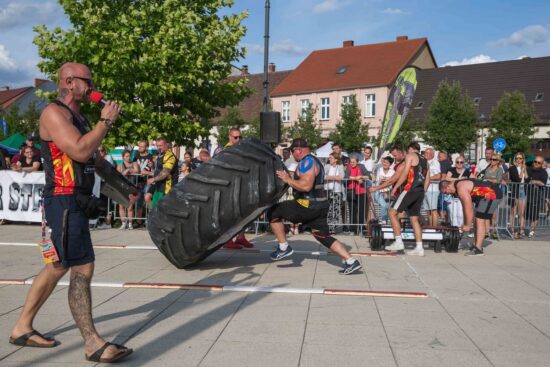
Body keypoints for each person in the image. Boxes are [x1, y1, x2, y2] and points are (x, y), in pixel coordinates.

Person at [9, 62, 133, 362]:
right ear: (68, 81)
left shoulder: (79, 117)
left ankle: (22, 327)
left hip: (73, 201)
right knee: (82, 267)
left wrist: (124, 185)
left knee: (57, 266)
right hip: (63, 201)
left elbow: (94, 158)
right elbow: (78, 150)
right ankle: (92, 343)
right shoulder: (54, 113)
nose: (91, 86)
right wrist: (106, 123)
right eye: (86, 81)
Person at [268, 138, 362, 274]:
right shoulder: (314, 160)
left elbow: (306, 186)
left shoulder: (307, 161)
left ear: (298, 150)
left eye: (293, 151)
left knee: (273, 212)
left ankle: (283, 247)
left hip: (307, 205)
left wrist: (288, 179)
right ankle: (351, 261)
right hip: (320, 205)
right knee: (322, 236)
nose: (292, 155)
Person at [386, 142, 429, 256]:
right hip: (420, 190)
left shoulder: (410, 156)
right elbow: (427, 179)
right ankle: (419, 247)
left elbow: (405, 174)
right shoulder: (425, 161)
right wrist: (422, 191)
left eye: (408, 149)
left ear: (411, 149)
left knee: (392, 212)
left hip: (410, 188)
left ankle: (398, 241)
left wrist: (395, 187)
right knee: (414, 219)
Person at [440, 179, 503, 256]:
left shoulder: (461, 187)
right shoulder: (457, 188)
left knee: (479, 219)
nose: (447, 194)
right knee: (477, 218)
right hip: (484, 196)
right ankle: (476, 245)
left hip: (491, 193)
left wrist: (467, 225)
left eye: (446, 192)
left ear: (448, 186)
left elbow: (468, 207)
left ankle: (478, 249)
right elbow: (464, 207)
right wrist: (466, 222)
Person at [221, 128, 254, 249]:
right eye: (236, 137)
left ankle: (240, 237)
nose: (238, 139)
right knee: (231, 214)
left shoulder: (240, 149)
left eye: (240, 137)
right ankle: (227, 240)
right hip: (230, 186)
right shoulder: (226, 150)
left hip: (240, 185)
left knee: (243, 213)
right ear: (229, 137)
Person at [147, 137, 177, 209]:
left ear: (166, 145)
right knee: (155, 209)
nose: (158, 148)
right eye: (157, 146)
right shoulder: (161, 155)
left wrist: (154, 179)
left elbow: (166, 172)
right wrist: (153, 165)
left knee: (163, 211)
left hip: (167, 188)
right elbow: (160, 168)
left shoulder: (170, 156)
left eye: (160, 145)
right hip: (159, 186)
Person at [345, 155, 371, 234]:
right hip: (351, 190)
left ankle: (360, 228)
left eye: (353, 162)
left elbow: (368, 176)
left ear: (357, 162)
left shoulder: (361, 166)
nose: (352, 163)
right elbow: (346, 176)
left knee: (361, 210)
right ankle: (353, 229)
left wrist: (361, 177)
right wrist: (356, 178)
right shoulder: (349, 167)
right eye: (351, 162)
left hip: (361, 191)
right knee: (352, 210)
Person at [525, 156, 548, 238]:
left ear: (542, 164)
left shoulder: (543, 172)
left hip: (536, 196)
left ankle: (532, 230)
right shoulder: (528, 169)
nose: (536, 164)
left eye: (539, 163)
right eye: (535, 162)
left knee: (534, 215)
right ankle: (521, 229)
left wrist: (535, 181)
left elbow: (543, 183)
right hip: (526, 194)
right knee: (525, 214)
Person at [132, 141, 154, 227]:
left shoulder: (150, 156)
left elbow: (150, 168)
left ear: (146, 147)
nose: (140, 148)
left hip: (147, 181)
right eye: (139, 146)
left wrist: (146, 170)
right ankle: (139, 221)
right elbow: (134, 168)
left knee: (147, 199)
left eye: (142, 146)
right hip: (138, 181)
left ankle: (151, 219)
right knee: (139, 202)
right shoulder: (135, 156)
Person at [508, 152, 529, 238]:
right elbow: (517, 179)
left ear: (523, 159)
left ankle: (521, 230)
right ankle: (512, 230)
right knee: (513, 211)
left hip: (523, 190)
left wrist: (525, 170)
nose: (518, 160)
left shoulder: (525, 168)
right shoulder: (512, 168)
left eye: (520, 158)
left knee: (521, 212)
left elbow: (527, 179)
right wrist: (522, 171)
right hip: (515, 190)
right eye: (517, 158)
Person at [117, 149, 139, 229]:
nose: (129, 157)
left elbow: (137, 171)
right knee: (121, 206)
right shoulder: (120, 165)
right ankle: (123, 223)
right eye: (127, 156)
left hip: (131, 187)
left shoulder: (134, 163)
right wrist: (123, 173)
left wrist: (129, 170)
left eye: (130, 156)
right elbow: (117, 175)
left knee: (130, 206)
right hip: (122, 187)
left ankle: (130, 224)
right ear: (123, 157)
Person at [324, 152, 345, 234]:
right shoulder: (326, 166)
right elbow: (323, 176)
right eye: (329, 157)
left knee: (335, 209)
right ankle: (328, 226)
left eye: (331, 158)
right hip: (327, 189)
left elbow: (341, 177)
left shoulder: (340, 166)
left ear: (336, 159)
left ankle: (334, 227)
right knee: (328, 209)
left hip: (337, 190)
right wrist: (334, 177)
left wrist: (330, 177)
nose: (329, 159)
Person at [372, 156, 395, 223]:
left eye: (387, 163)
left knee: (387, 207)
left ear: (390, 164)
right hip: (378, 191)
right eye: (384, 162)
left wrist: (387, 181)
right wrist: (379, 180)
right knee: (384, 205)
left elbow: (393, 181)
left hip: (388, 192)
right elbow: (374, 180)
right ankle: (383, 221)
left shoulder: (392, 172)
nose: (385, 164)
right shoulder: (378, 170)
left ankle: (385, 222)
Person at [422, 147, 441, 226]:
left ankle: (435, 228)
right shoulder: (423, 162)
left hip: (433, 189)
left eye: (428, 153)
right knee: (428, 210)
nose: (425, 154)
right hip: (424, 189)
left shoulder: (435, 162)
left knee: (433, 210)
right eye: (425, 152)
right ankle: (430, 227)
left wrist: (426, 179)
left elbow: (438, 176)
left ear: (432, 155)